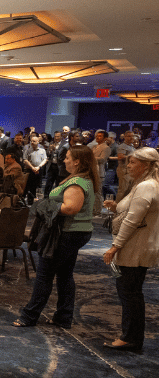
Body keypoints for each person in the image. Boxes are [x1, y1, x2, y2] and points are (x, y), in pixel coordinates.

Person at [15, 145, 98, 329]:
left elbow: (70, 208)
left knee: (44, 275)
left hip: (66, 233)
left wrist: (45, 206)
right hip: (74, 232)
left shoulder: (77, 182)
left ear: (77, 161)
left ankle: (29, 316)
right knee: (65, 275)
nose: (64, 160)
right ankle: (63, 317)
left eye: (68, 157)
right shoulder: (81, 179)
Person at [100, 147, 159, 352]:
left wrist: (114, 247)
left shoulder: (146, 187)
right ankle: (131, 337)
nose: (128, 166)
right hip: (137, 245)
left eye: (133, 163)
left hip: (136, 248)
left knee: (130, 293)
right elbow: (134, 212)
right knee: (131, 292)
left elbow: (132, 221)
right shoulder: (142, 185)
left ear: (147, 165)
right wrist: (116, 208)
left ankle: (130, 338)